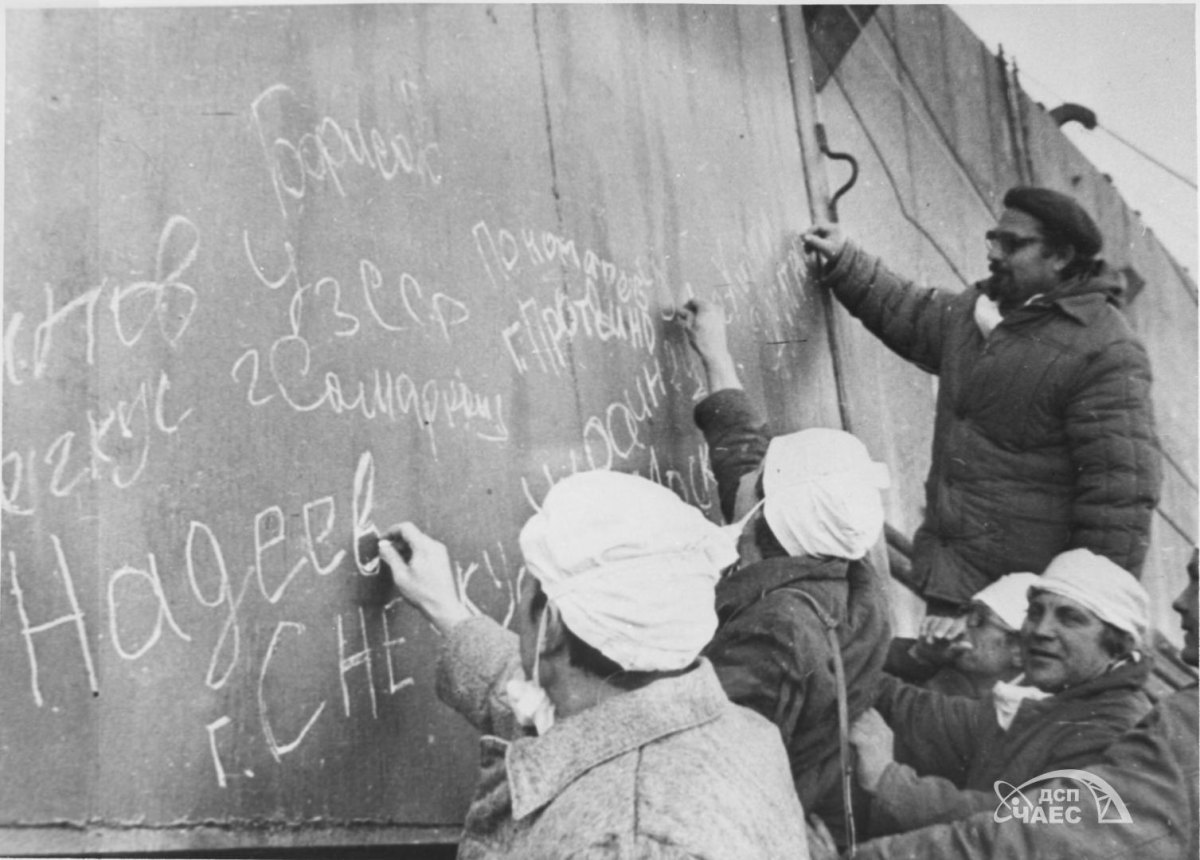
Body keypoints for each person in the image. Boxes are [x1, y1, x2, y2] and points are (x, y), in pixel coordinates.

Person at [378, 469, 811, 860]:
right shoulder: (733, 731)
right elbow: (569, 735)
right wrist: (450, 615)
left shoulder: (630, 842)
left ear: (548, 626)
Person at [802, 186, 1161, 640]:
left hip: (1023, 613)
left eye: (1012, 245)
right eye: (994, 240)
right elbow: (911, 314)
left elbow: (1118, 500)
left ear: (1061, 256)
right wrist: (845, 262)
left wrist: (1079, 620)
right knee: (947, 703)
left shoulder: (1104, 348)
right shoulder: (983, 314)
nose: (995, 254)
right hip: (952, 589)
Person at [811, 549, 1198, 860]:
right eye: (1035, 611)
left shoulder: (1113, 730)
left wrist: (889, 782)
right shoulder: (1046, 704)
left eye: (1070, 618)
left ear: (1116, 643)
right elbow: (918, 711)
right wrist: (914, 657)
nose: (1041, 631)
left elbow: (1015, 828)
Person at [678, 298, 891, 849]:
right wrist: (716, 359)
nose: (748, 475)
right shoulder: (842, 573)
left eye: (763, 480)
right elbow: (748, 469)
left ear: (766, 516)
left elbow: (693, 756)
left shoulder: (774, 633)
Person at [885, 572, 1040, 699]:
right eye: (968, 612)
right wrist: (921, 656)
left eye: (980, 619)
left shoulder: (1029, 716)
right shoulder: (948, 668)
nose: (964, 624)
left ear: (1019, 652)